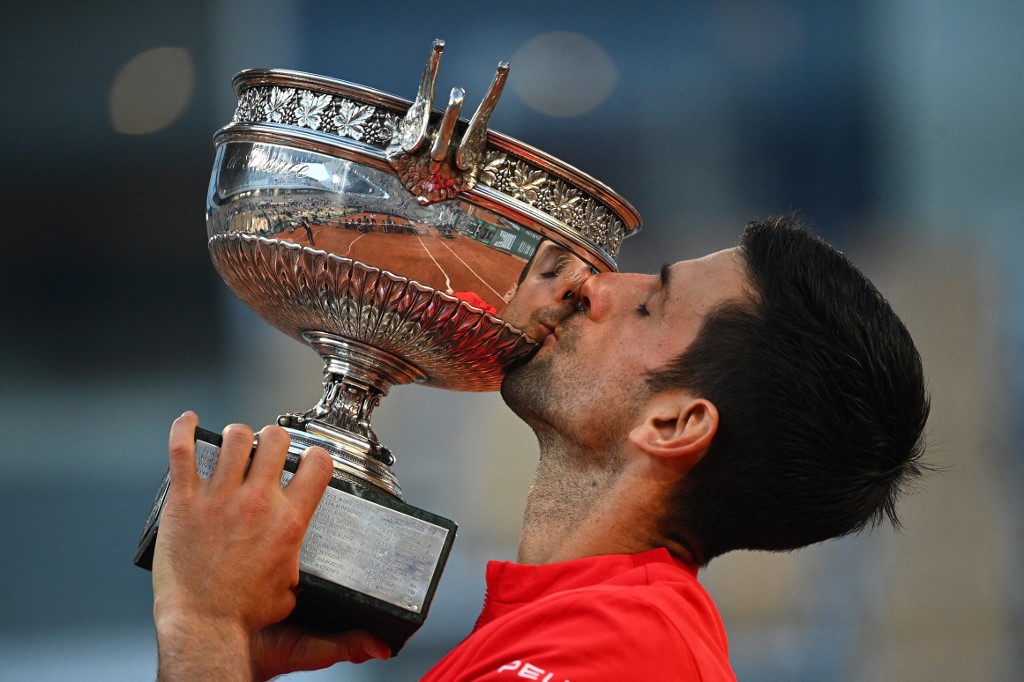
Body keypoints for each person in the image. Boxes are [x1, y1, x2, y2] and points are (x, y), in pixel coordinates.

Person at [151, 215, 929, 680]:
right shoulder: (572, 634)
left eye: (650, 303)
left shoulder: (618, 653)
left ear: (674, 425)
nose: (594, 283)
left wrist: (206, 630)